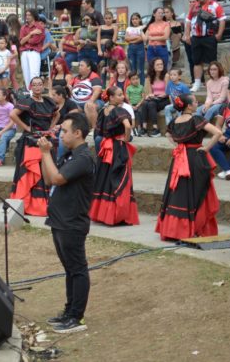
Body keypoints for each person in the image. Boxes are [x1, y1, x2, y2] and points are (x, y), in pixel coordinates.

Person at [39, 112, 95, 334]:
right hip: (60, 219)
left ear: (78, 133)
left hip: (72, 221)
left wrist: (46, 153)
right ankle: (68, 311)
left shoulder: (83, 158)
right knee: (70, 270)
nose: (61, 135)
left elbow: (57, 179)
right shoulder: (70, 155)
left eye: (64, 131)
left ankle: (76, 317)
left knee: (77, 269)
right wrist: (46, 155)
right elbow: (47, 178)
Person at [156, 94, 222, 241]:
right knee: (197, 191)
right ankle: (195, 227)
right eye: (194, 101)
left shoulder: (175, 121)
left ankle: (173, 229)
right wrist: (206, 148)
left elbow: (168, 134)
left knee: (178, 191)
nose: (197, 103)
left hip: (180, 158)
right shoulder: (196, 119)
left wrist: (179, 146)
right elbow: (218, 133)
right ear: (189, 106)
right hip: (194, 158)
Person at [89, 86, 138, 226]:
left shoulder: (103, 110)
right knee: (120, 178)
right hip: (117, 147)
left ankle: (102, 214)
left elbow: (98, 130)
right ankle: (117, 215)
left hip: (106, 147)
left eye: (122, 94)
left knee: (104, 177)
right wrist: (126, 139)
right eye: (119, 95)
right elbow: (128, 126)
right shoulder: (119, 110)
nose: (122, 97)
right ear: (110, 97)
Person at [10, 76, 59, 216]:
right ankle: (29, 203)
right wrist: (26, 127)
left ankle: (45, 203)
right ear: (31, 87)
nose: (37, 87)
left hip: (46, 139)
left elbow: (57, 114)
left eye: (39, 84)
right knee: (32, 171)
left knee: (46, 171)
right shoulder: (27, 102)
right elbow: (13, 114)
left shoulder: (49, 101)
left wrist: (51, 127)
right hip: (31, 140)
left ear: (43, 86)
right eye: (34, 85)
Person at [188, 0, 226, 92]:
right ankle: (197, 83)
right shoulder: (194, 6)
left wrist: (219, 34)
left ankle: (214, 82)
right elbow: (188, 21)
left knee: (212, 62)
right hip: (196, 37)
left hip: (209, 37)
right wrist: (187, 34)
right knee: (196, 61)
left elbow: (222, 20)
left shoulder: (215, 5)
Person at [70, 59, 103, 129]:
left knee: (89, 106)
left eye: (82, 65)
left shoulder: (94, 76)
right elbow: (69, 88)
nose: (79, 67)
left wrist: (91, 101)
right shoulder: (76, 77)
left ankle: (95, 129)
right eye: (79, 65)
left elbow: (97, 91)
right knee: (69, 106)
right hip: (77, 103)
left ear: (89, 67)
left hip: (94, 101)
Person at [139, 58, 168, 137]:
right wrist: (149, 95)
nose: (160, 66)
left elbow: (169, 91)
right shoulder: (149, 77)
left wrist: (164, 94)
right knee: (145, 103)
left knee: (151, 104)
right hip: (154, 99)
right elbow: (147, 92)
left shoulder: (166, 76)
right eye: (157, 64)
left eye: (161, 64)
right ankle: (144, 128)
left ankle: (156, 129)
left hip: (164, 99)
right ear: (153, 67)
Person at [19, 8, 46, 85]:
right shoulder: (23, 27)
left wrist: (26, 39)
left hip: (34, 52)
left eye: (29, 15)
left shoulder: (39, 27)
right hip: (24, 53)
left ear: (34, 16)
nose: (27, 17)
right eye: (26, 15)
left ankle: (35, 94)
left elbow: (34, 41)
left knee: (34, 75)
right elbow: (21, 42)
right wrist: (31, 34)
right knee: (26, 76)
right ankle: (29, 94)